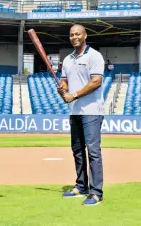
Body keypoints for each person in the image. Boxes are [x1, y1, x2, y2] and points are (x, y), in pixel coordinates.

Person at [57, 24, 105, 206]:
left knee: (93, 152)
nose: (74, 37)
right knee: (77, 150)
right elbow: (65, 82)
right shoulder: (68, 59)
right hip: (75, 111)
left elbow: (96, 82)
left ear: (85, 35)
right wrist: (63, 90)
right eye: (71, 34)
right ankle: (81, 186)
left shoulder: (94, 56)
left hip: (92, 111)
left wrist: (74, 95)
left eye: (78, 34)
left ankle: (96, 193)